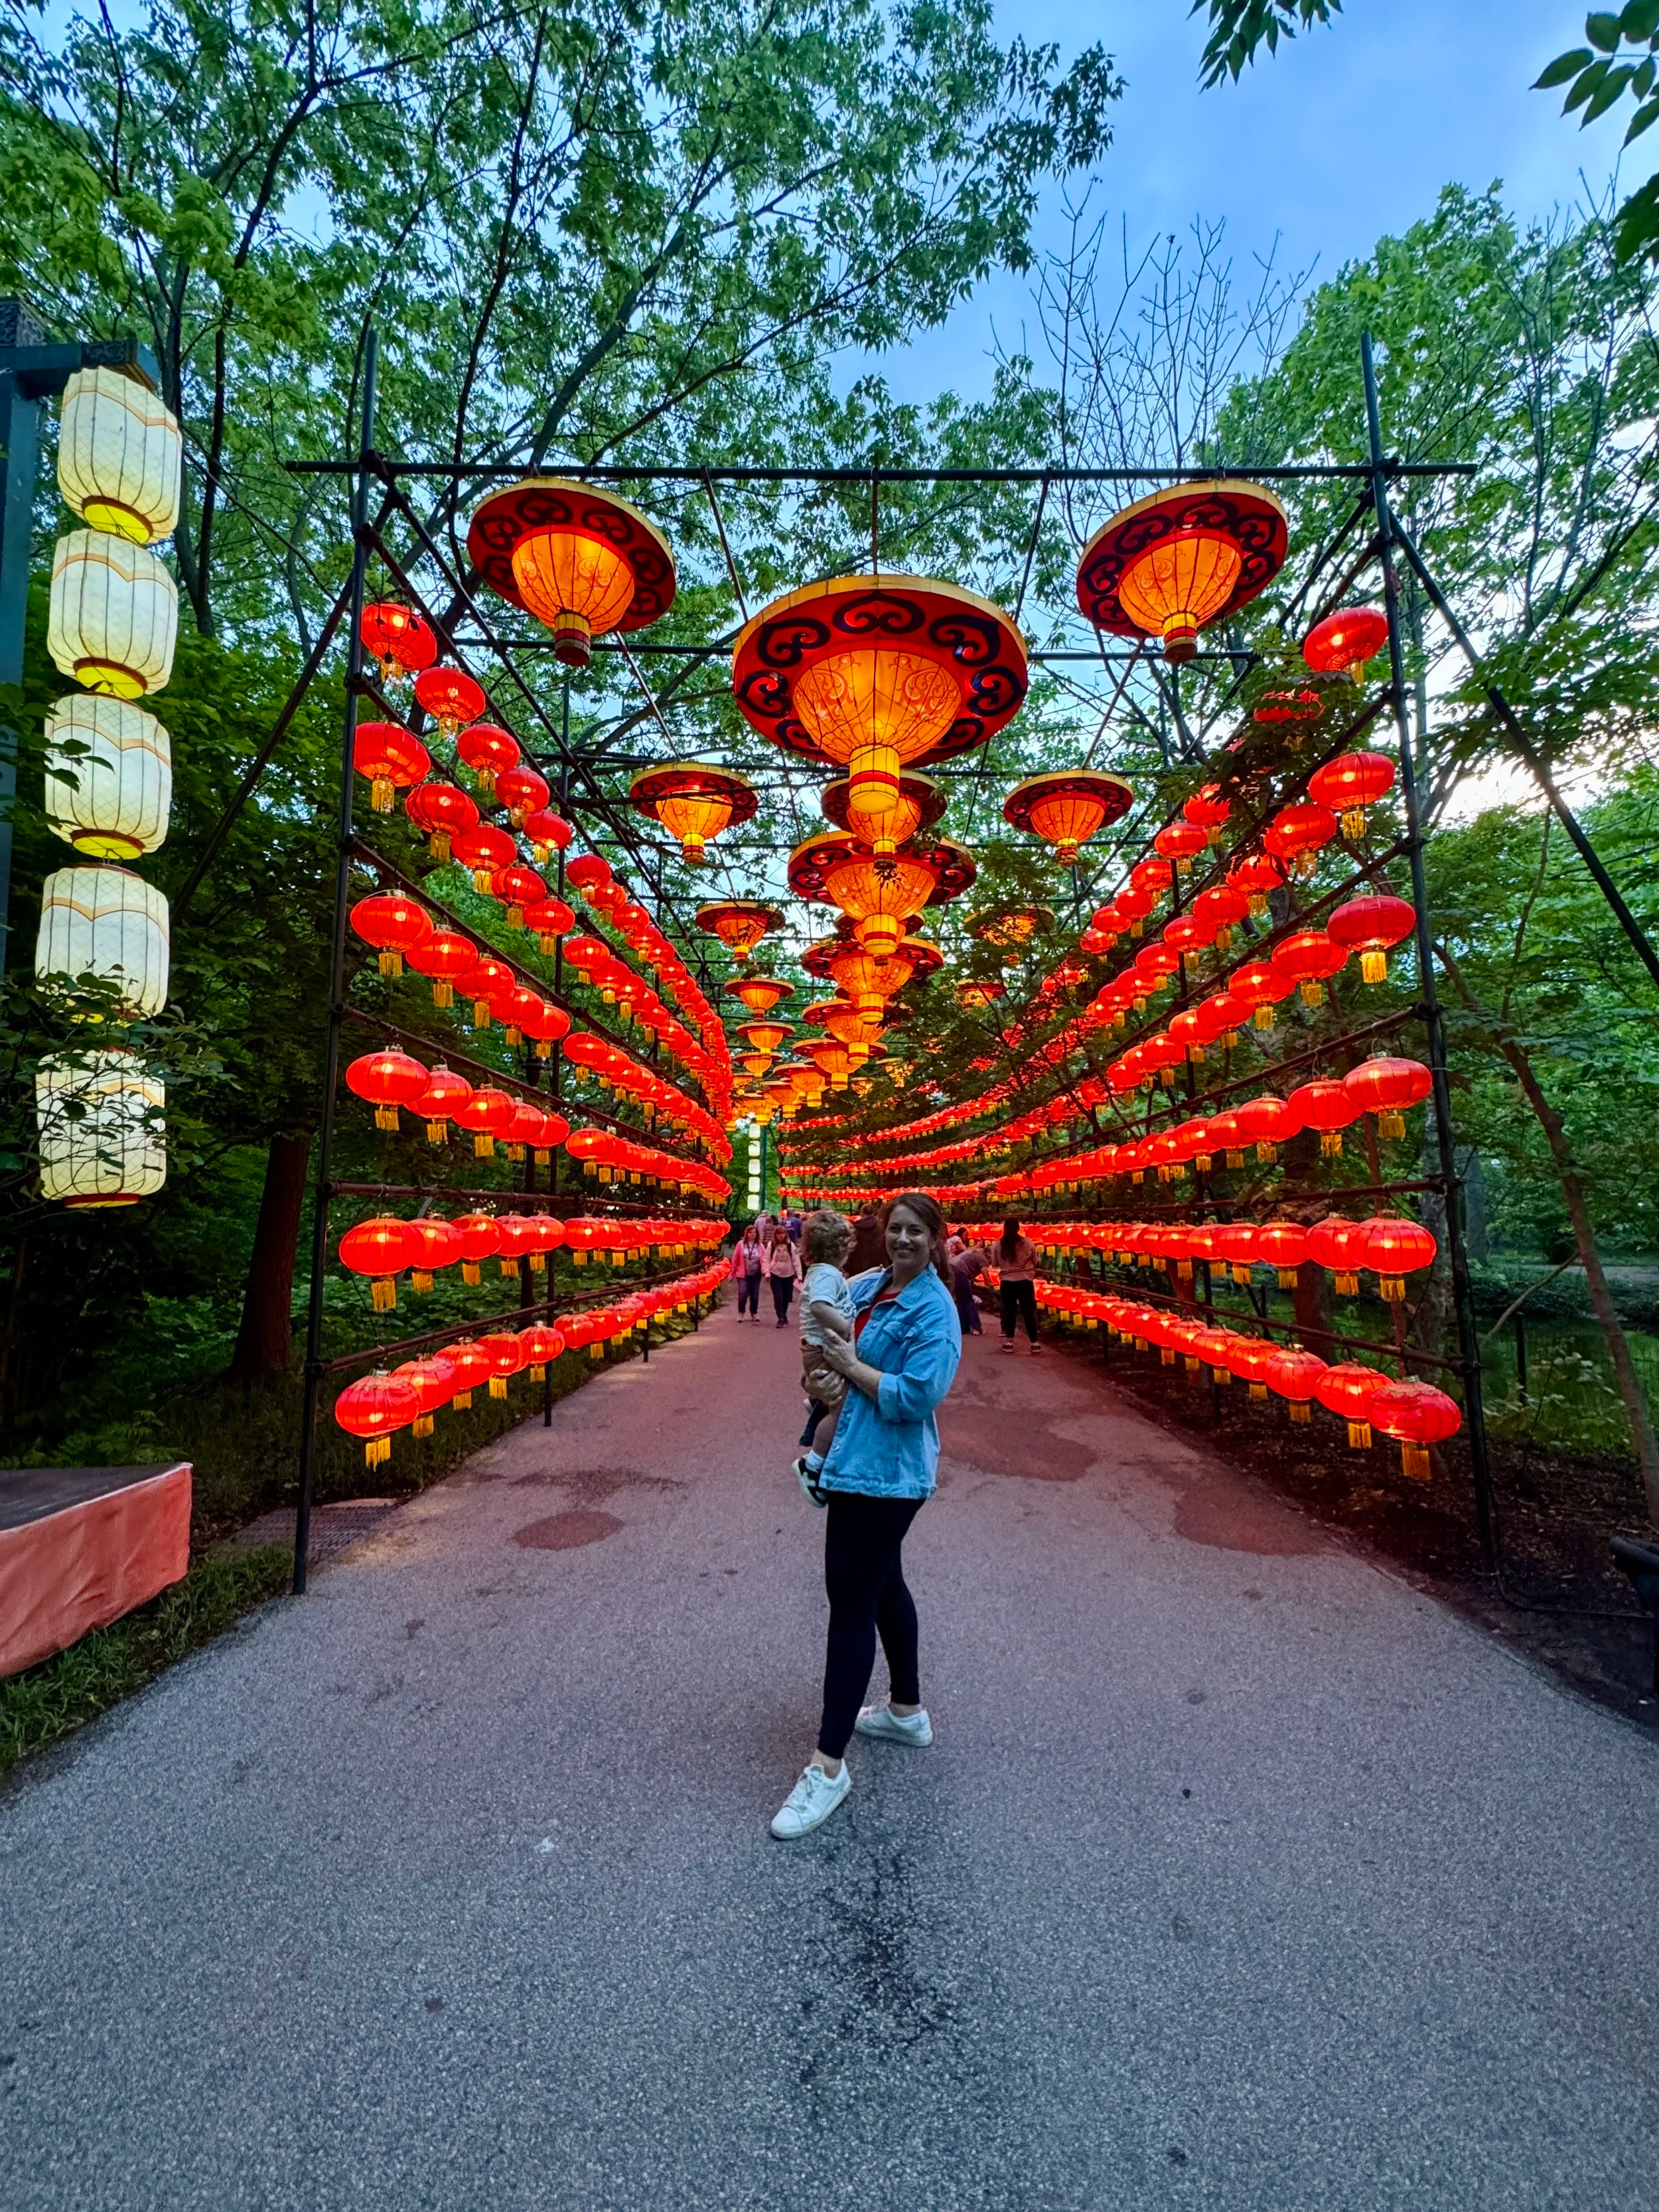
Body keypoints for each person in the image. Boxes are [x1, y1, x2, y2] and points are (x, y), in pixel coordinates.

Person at [770, 1192, 962, 1842]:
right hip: (857, 1457)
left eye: (916, 1231)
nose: (903, 1239)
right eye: (895, 1229)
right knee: (883, 1587)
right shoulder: (873, 1283)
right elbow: (818, 1320)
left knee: (850, 1603)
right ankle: (906, 1711)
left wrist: (852, 1367)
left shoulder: (934, 1309)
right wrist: (817, 1376)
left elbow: (919, 1393)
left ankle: (827, 1768)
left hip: (884, 1473)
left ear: (935, 1239)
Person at [793, 1210, 857, 1506]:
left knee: (836, 1399)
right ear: (838, 1249)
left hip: (819, 1350)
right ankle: (813, 1463)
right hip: (824, 1350)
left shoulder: (823, 1273)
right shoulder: (827, 1276)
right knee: (842, 1411)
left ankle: (815, 1401)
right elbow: (819, 1306)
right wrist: (844, 1327)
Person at [995, 1215, 1040, 1354]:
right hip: (1025, 1281)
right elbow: (1035, 1261)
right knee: (1028, 1312)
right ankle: (1034, 1343)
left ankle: (1009, 1342)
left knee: (1010, 1312)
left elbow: (995, 1263)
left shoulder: (998, 1245)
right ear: (1018, 1228)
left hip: (1007, 1282)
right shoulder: (1028, 1243)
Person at [946, 1224, 985, 1337]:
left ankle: (964, 1326)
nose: (967, 1237)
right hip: (956, 1268)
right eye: (966, 1234)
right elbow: (966, 1250)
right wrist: (977, 1246)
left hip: (950, 1268)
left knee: (960, 1299)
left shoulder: (950, 1241)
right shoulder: (956, 1239)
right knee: (967, 1299)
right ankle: (975, 1327)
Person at [766, 1224, 802, 1326]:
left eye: (782, 1233)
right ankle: (780, 1317)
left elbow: (796, 1261)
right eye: (778, 1234)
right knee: (778, 1296)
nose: (780, 1236)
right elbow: (766, 1259)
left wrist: (799, 1275)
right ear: (776, 1235)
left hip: (788, 1274)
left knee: (786, 1297)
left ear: (785, 1234)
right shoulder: (771, 1245)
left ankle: (784, 1313)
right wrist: (767, 1272)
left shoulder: (791, 1246)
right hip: (775, 1274)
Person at [731, 1220, 765, 1319]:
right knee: (743, 1293)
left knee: (754, 1294)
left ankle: (754, 1312)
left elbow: (765, 1259)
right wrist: (732, 1273)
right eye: (750, 1232)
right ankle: (741, 1312)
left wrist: (765, 1271)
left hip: (756, 1274)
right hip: (742, 1273)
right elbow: (735, 1259)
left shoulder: (760, 1246)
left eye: (754, 1232)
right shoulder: (741, 1244)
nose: (753, 1234)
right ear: (746, 1234)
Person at [845, 1208, 886, 1278]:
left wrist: (847, 1267)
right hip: (878, 1264)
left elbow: (851, 1247)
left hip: (858, 1265)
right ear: (873, 1212)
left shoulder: (856, 1227)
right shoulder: (881, 1227)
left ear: (862, 1213)